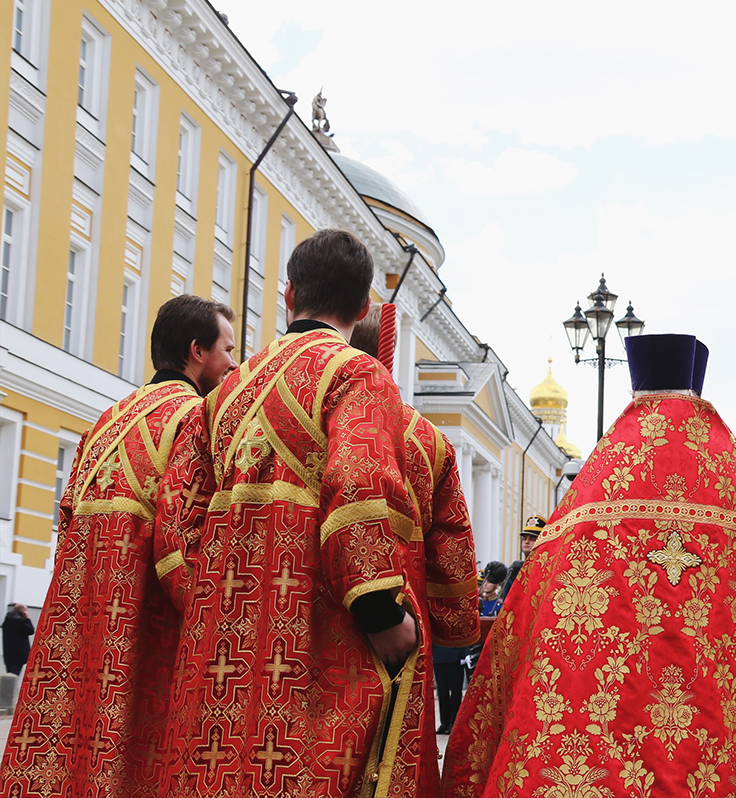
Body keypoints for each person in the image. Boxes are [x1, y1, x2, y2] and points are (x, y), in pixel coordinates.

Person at [442, 334, 736, 798]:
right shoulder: (733, 478)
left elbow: (529, 608)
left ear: (638, 384)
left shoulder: (600, 481)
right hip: (724, 726)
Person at [153, 229, 420, 797]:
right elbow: (361, 485)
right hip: (313, 634)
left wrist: (208, 608)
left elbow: (177, 519)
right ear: (365, 305)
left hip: (220, 640)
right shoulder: (356, 374)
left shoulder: (227, 390)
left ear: (288, 294)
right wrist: (380, 612)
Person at [0, 295, 235, 796]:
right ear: (197, 351)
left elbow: (65, 517)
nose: (234, 363)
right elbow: (183, 535)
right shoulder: (197, 419)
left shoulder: (108, 419)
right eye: (227, 349)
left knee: (75, 746)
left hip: (78, 617)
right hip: (146, 625)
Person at [349, 302, 482, 767]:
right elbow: (452, 551)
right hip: (399, 629)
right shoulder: (426, 440)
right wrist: (454, 628)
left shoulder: (291, 415)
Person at [499, 517, 544, 599]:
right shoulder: (515, 570)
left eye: (532, 538)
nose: (527, 541)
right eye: (524, 538)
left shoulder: (546, 570)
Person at [1, 604, 30, 675]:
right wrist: (26, 618)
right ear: (22, 610)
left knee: (10, 673)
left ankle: (8, 686)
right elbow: (30, 630)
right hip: (19, 652)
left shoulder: (7, 619)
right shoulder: (21, 621)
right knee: (15, 674)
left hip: (8, 652)